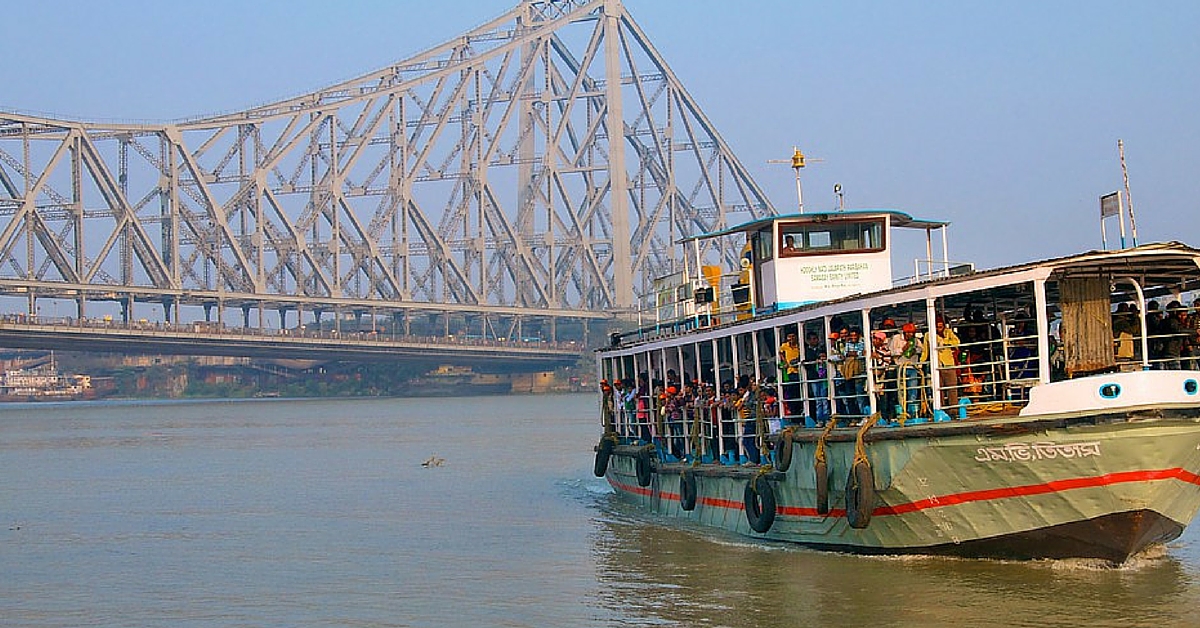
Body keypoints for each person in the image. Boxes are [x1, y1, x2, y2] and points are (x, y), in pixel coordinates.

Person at [922, 316, 961, 409]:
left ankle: (954, 409)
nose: (939, 329)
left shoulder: (948, 332)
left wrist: (945, 341)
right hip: (936, 365)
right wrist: (921, 363)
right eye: (937, 327)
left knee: (952, 388)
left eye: (940, 326)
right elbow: (925, 351)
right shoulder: (928, 335)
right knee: (938, 389)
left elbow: (957, 342)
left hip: (949, 363)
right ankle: (940, 408)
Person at [890, 322, 922, 416]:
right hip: (900, 367)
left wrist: (915, 350)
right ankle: (902, 412)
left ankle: (912, 412)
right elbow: (891, 352)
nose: (910, 335)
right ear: (904, 332)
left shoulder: (916, 340)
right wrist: (903, 350)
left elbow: (922, 349)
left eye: (912, 333)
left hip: (912, 367)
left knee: (913, 389)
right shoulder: (896, 338)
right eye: (908, 333)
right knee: (901, 391)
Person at [871, 330, 897, 423]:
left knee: (885, 397)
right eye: (874, 339)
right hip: (875, 376)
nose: (874, 341)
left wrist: (877, 359)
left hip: (884, 376)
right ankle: (880, 416)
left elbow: (886, 364)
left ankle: (886, 417)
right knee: (877, 397)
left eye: (876, 339)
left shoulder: (885, 351)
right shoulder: (871, 350)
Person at [777, 330, 802, 419]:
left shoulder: (799, 345)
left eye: (793, 336)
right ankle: (794, 414)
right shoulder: (784, 345)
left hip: (800, 371)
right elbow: (780, 352)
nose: (791, 338)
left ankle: (800, 412)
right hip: (790, 371)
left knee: (800, 393)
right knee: (792, 393)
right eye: (789, 336)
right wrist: (785, 362)